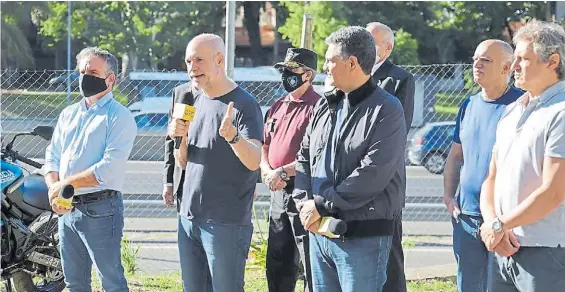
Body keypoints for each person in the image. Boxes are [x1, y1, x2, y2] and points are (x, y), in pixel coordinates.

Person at [293, 26, 407, 292]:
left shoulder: (387, 109)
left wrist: (321, 204)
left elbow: (373, 172)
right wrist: (303, 203)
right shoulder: (325, 105)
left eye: (330, 60)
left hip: (362, 237)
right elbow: (305, 157)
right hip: (320, 233)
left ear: (352, 63)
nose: (325, 67)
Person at [167, 33, 264, 292]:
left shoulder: (244, 105)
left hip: (225, 223)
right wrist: (182, 138)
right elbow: (183, 161)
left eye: (199, 59)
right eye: (188, 61)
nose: (192, 67)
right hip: (189, 219)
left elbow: (255, 161)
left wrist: (233, 137)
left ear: (219, 60)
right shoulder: (191, 100)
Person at [479, 21, 565, 291]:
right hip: (503, 248)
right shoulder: (512, 110)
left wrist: (498, 225)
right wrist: (492, 226)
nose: (514, 66)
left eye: (524, 59)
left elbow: (553, 191)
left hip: (546, 251)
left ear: (553, 61)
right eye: (515, 58)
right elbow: (491, 178)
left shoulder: (561, 113)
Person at [44, 47, 137, 292]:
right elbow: (52, 156)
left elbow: (108, 169)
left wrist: (63, 185)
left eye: (93, 71)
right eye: (82, 71)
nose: (85, 77)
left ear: (111, 79)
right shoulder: (68, 114)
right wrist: (54, 188)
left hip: (101, 210)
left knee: (111, 282)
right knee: (74, 283)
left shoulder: (120, 117)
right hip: (67, 209)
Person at [443, 39, 522, 292]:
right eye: (475, 59)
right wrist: (448, 196)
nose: (477, 64)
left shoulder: (522, 105)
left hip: (504, 220)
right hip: (466, 218)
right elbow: (456, 156)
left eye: (485, 60)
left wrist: (506, 219)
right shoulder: (468, 105)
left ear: (507, 67)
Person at [263, 48, 321, 292]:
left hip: (303, 191)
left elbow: (317, 154)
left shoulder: (318, 107)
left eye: (292, 70)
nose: (286, 75)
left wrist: (284, 171)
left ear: (308, 75)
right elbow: (264, 143)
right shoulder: (278, 105)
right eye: (284, 70)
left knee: (309, 257)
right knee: (278, 257)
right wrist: (267, 171)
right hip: (278, 191)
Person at [366, 22, 415, 292]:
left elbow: (398, 130)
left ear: (387, 48)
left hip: (385, 182)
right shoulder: (347, 76)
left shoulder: (399, 79)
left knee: (390, 250)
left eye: (371, 42)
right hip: (352, 183)